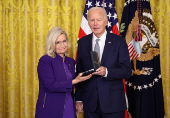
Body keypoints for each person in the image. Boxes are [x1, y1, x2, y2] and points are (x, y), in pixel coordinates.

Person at [75, 7, 132, 118]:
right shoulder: (82, 42)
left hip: (113, 104)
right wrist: (79, 99)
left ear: (106, 22)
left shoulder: (119, 41)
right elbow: (79, 72)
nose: (95, 23)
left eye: (99, 20)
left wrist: (107, 72)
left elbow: (126, 71)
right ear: (88, 22)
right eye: (92, 20)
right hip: (90, 104)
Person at [35, 27, 92, 118]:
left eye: (64, 41)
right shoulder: (45, 60)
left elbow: (77, 85)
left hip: (69, 104)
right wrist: (74, 81)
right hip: (50, 107)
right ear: (51, 44)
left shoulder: (71, 61)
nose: (62, 45)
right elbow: (51, 85)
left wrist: (78, 100)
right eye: (57, 42)